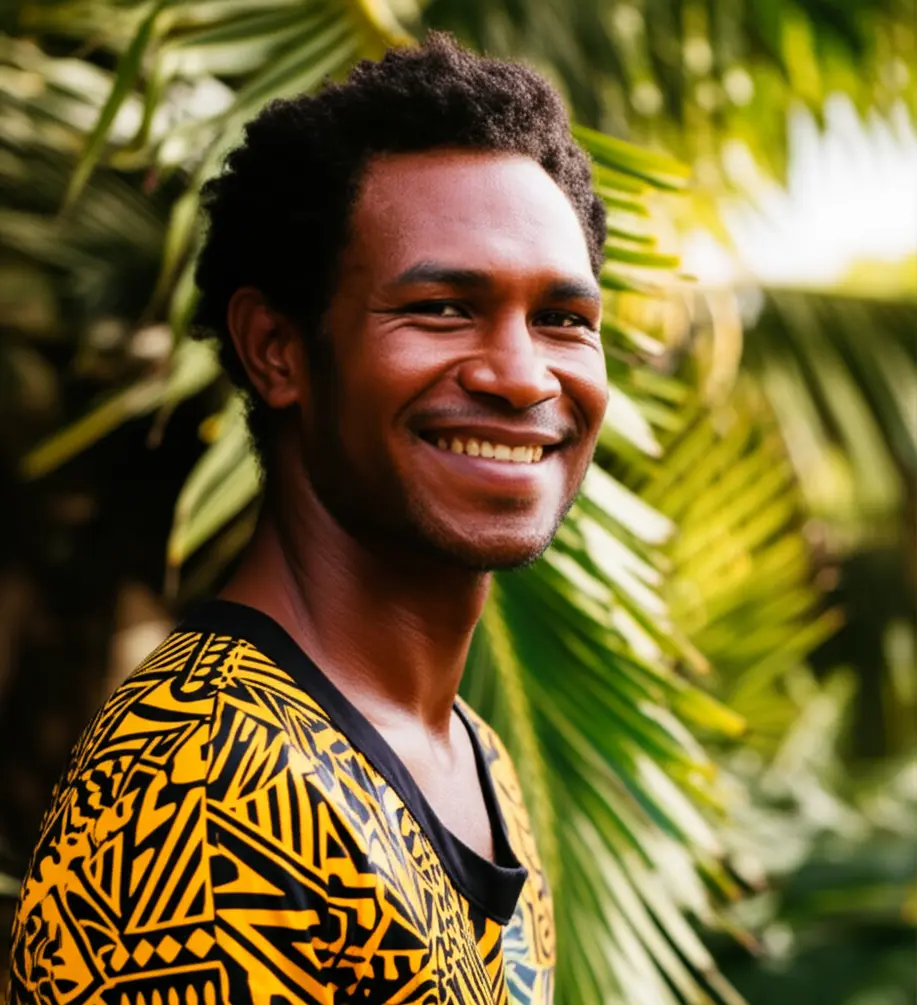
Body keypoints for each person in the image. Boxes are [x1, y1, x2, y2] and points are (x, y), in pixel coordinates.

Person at [7, 32, 608, 1005]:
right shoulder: (204, 792)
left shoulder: (473, 757)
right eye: (443, 307)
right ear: (276, 351)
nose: (521, 374)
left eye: (562, 319)